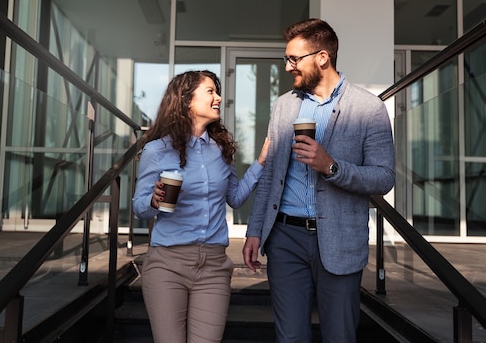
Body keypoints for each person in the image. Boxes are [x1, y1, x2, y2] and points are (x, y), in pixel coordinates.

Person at [242, 18, 395, 343]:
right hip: (284, 238)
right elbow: (271, 174)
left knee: (340, 336)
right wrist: (255, 230)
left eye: (294, 59)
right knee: (290, 338)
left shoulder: (368, 108)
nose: (287, 67)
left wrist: (331, 167)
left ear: (322, 57)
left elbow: (384, 177)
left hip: (340, 240)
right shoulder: (284, 106)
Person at [132, 70, 269, 343]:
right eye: (210, 91)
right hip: (167, 264)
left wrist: (261, 161)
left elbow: (235, 198)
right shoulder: (156, 150)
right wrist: (154, 201)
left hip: (214, 267)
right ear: (186, 101)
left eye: (216, 92)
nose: (218, 97)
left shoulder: (220, 150)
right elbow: (139, 206)